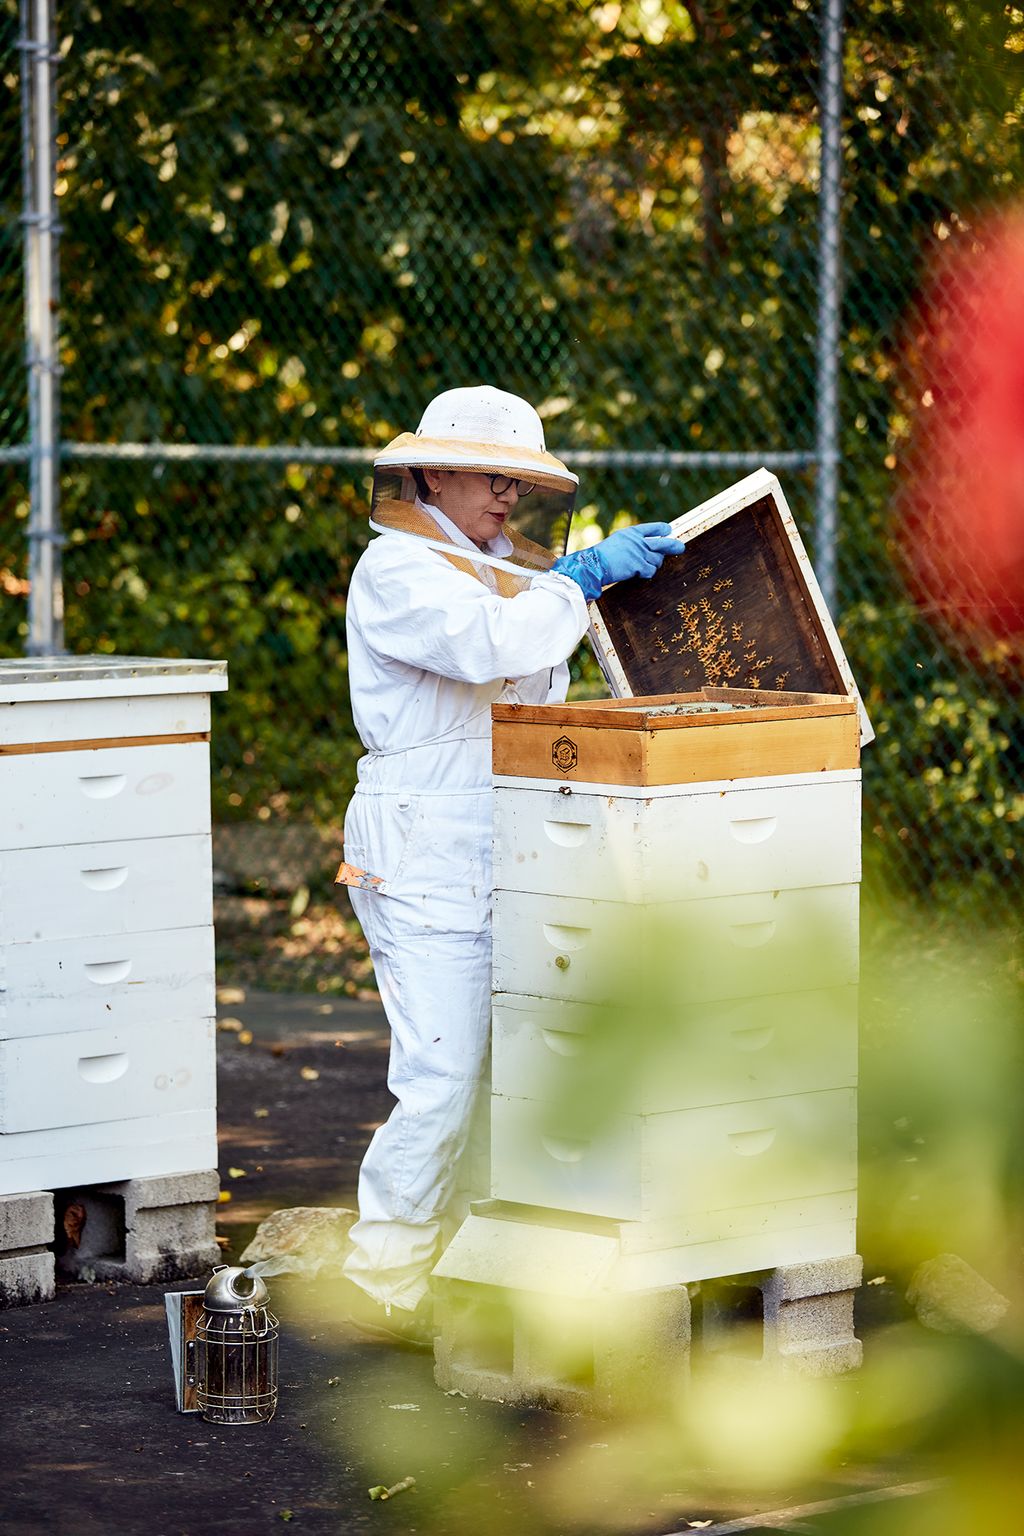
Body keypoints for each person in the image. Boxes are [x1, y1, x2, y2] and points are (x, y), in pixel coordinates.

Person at [336, 385, 685, 1345]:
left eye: (521, 481)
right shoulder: (398, 570)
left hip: (516, 835)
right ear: (433, 470)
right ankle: (380, 1282)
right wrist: (580, 581)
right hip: (421, 848)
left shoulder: (501, 568)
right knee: (442, 1077)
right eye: (495, 477)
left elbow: (538, 677)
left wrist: (577, 583)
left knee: (523, 1070)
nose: (509, 497)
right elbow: (494, 646)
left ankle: (477, 1267)